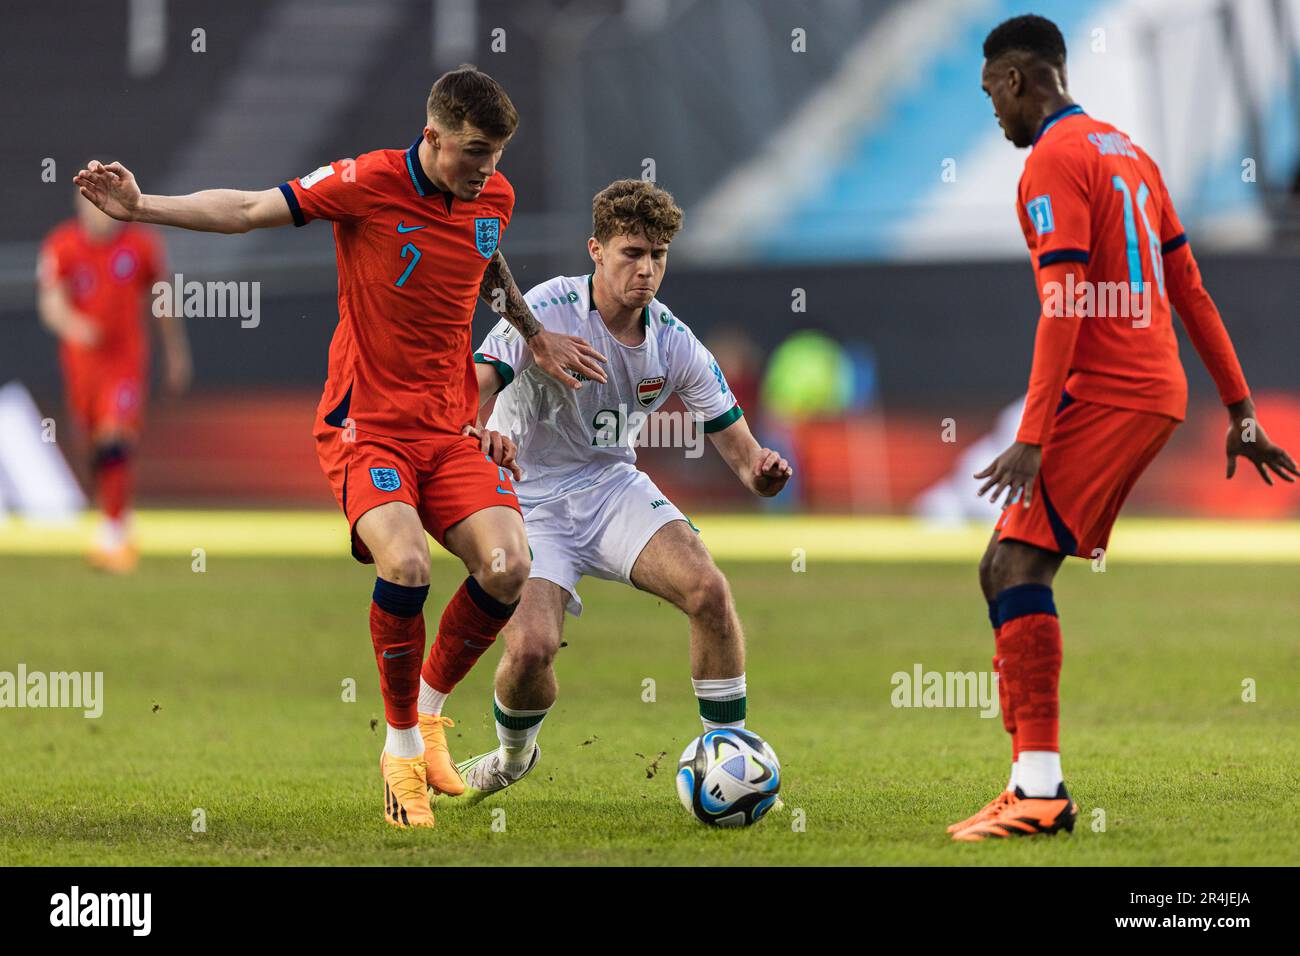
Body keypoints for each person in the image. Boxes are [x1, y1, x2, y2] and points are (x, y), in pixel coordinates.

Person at [73, 66, 608, 829]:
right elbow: (251, 207)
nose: (487, 169)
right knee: (407, 563)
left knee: (509, 565)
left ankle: (426, 717)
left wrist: (533, 332)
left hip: (448, 426)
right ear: (432, 137)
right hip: (369, 425)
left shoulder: (494, 196)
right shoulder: (367, 182)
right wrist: (143, 206)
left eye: (496, 155)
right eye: (473, 151)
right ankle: (397, 752)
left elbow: (486, 262)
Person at [954, 15, 1298, 841]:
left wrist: (1034, 433)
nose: (994, 117)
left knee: (1010, 565)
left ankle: (1038, 793)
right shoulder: (1129, 153)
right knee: (1012, 564)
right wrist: (1241, 409)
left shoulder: (1049, 164)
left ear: (1014, 80)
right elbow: (1191, 289)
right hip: (1157, 388)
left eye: (991, 96)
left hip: (1109, 389)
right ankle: (1036, 787)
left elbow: (1065, 302)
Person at [448, 179, 791, 801]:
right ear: (596, 251)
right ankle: (511, 757)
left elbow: (745, 460)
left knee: (708, 589)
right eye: (632, 252)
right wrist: (478, 433)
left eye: (658, 255)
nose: (647, 269)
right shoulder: (547, 308)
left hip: (610, 489)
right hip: (525, 497)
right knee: (530, 651)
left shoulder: (674, 340)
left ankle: (728, 755)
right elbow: (478, 380)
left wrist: (763, 472)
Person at [37, 187, 191, 572]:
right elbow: (50, 300)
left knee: (115, 437)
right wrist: (74, 324)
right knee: (93, 447)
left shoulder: (141, 245)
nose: (99, 216)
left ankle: (113, 533)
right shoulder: (62, 244)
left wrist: (175, 353)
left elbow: (162, 299)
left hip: (125, 362)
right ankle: (117, 517)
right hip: (81, 365)